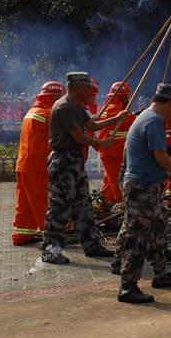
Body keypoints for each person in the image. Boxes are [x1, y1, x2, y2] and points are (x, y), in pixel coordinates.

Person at [40, 72, 129, 265]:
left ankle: (91, 245)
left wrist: (117, 118)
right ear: (79, 87)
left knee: (83, 205)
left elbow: (92, 124)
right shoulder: (64, 107)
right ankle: (50, 251)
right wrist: (102, 143)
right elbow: (79, 136)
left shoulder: (77, 106)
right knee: (59, 207)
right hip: (63, 160)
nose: (90, 90)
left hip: (74, 160)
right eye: (88, 86)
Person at [116, 84, 171, 303]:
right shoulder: (154, 120)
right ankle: (127, 287)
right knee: (137, 238)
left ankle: (161, 274)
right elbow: (158, 154)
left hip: (148, 185)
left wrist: (169, 164)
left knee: (158, 229)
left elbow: (154, 154)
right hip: (142, 187)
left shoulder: (146, 117)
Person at [11, 82, 66, 245]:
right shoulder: (50, 115)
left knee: (25, 204)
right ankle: (53, 237)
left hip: (24, 165)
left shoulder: (33, 111)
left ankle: (21, 235)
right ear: (54, 97)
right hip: (37, 167)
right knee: (44, 204)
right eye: (60, 99)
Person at [98, 82, 136, 205]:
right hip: (112, 153)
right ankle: (121, 213)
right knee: (118, 185)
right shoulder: (112, 109)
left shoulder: (114, 108)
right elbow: (129, 120)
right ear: (119, 97)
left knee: (109, 185)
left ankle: (103, 208)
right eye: (126, 97)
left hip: (115, 152)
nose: (128, 100)